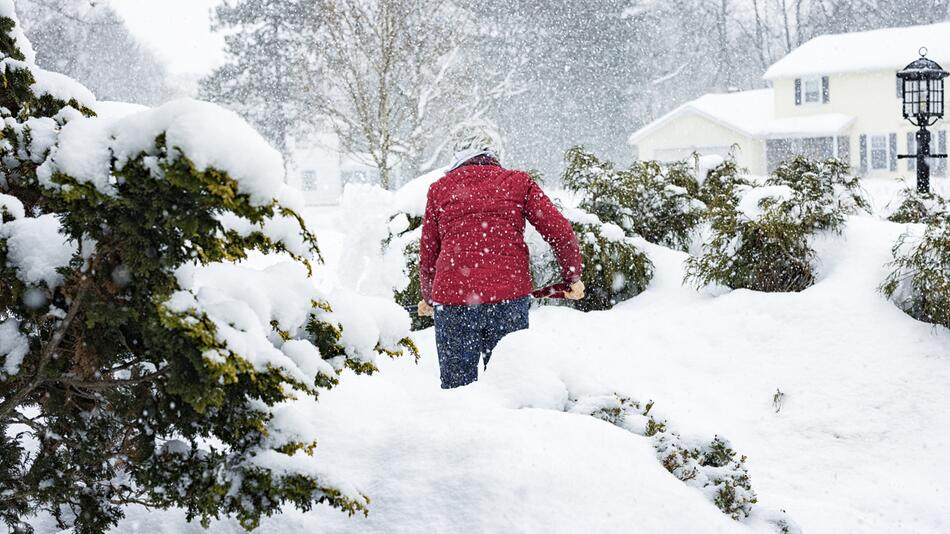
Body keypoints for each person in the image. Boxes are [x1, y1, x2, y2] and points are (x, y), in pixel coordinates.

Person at [417, 122, 585, 389]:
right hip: (507, 300)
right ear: (493, 152)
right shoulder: (518, 183)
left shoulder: (440, 189)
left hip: (453, 303)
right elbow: (560, 230)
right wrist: (572, 276)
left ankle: (463, 428)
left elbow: (429, 252)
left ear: (457, 152)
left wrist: (428, 296)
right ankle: (510, 428)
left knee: (457, 389)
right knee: (511, 386)